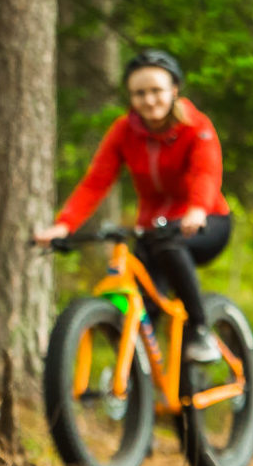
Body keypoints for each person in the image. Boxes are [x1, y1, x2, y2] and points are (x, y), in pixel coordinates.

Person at [31, 48, 231, 364]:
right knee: (141, 306)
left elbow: (206, 172)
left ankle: (200, 330)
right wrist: (64, 225)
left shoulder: (196, 126)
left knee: (171, 247)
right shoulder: (124, 132)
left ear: (174, 90)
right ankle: (147, 384)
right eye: (140, 93)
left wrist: (196, 209)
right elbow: (96, 181)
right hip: (153, 229)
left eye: (156, 91)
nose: (149, 100)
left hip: (207, 221)